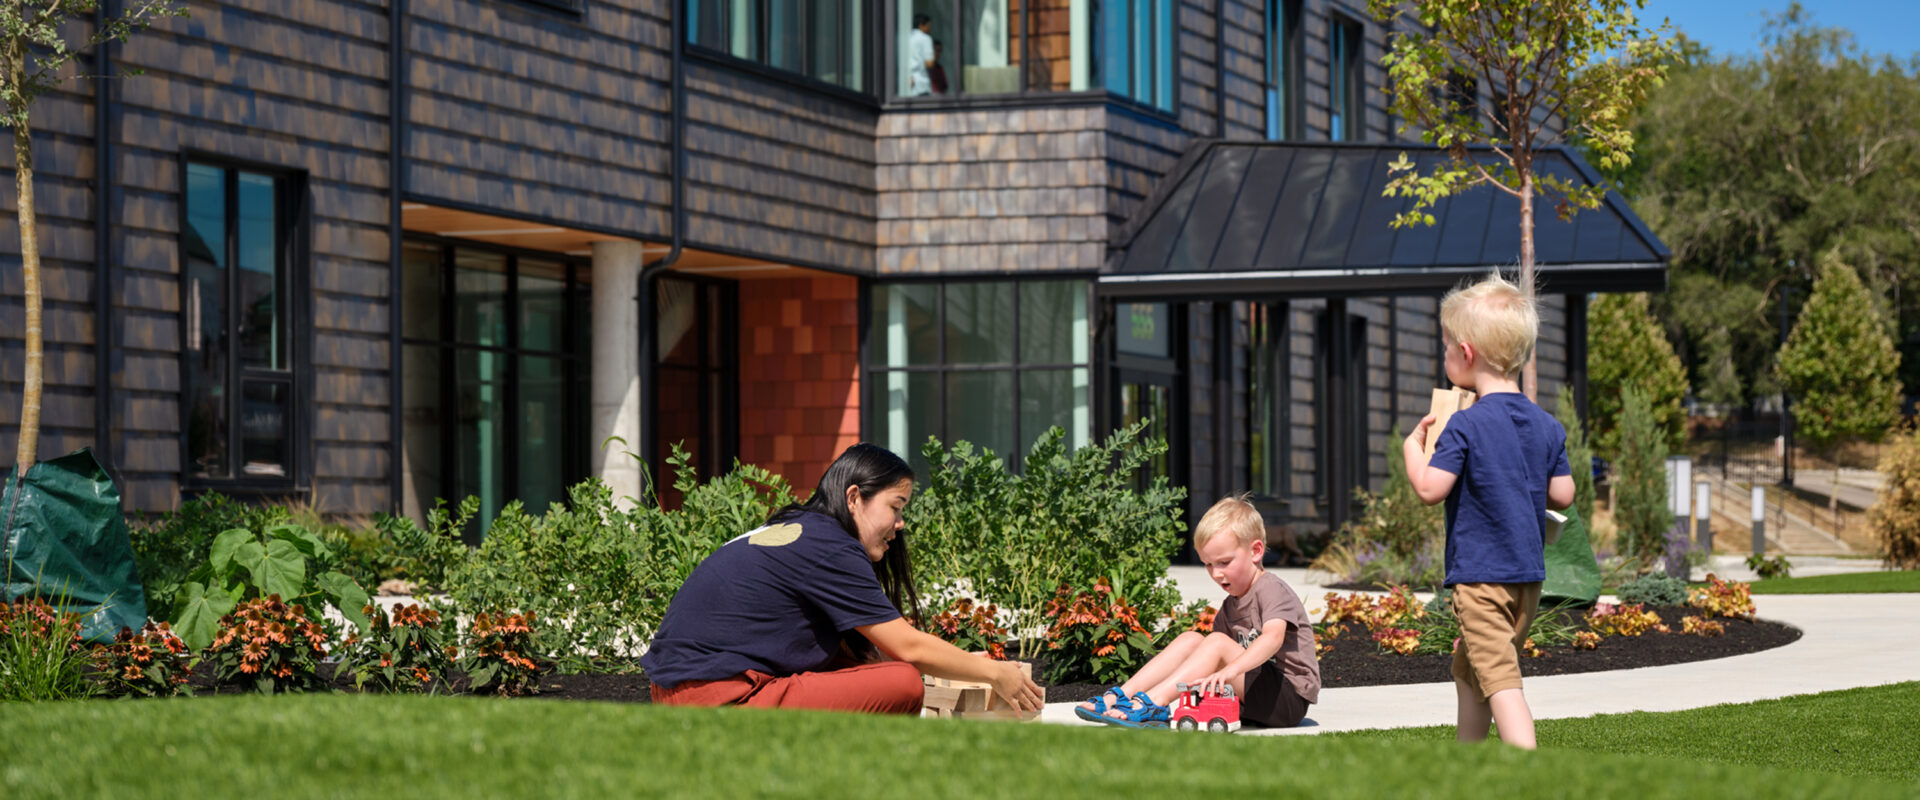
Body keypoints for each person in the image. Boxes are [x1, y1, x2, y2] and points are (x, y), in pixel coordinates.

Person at [641, 443, 1043, 715]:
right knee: (902, 682)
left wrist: (959, 665)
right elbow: (907, 648)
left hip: (679, 692)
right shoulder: (831, 544)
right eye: (896, 507)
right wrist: (996, 672)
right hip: (720, 698)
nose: (901, 524)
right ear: (854, 498)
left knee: (863, 667)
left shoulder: (799, 530)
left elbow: (860, 654)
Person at [1402, 272, 1576, 750]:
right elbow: (1563, 494)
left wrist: (1413, 450)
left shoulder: (1464, 425)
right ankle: (1469, 760)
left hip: (1481, 580)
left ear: (1467, 353)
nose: (1444, 357)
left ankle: (1527, 771)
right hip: (1527, 581)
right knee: (1470, 670)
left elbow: (1431, 490)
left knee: (1501, 681)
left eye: (1444, 348)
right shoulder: (1546, 424)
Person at [1074, 495, 1320, 729]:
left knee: (1215, 642)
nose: (1216, 573)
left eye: (1224, 562)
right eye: (1208, 565)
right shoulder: (1230, 606)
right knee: (1192, 639)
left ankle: (1154, 702)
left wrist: (1229, 671)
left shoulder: (1271, 589)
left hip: (1286, 698)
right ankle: (1121, 696)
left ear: (1255, 551)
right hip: (1252, 696)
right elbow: (1209, 658)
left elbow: (1273, 638)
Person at [905, 14, 935, 97]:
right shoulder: (925, 38)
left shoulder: (907, 37)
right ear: (921, 25)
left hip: (907, 81)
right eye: (928, 26)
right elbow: (929, 63)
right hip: (921, 83)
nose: (929, 29)